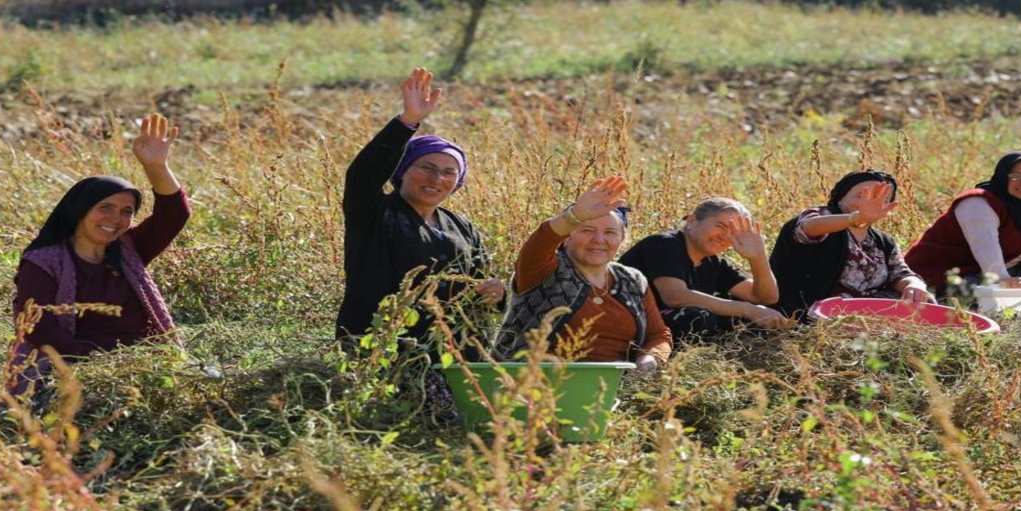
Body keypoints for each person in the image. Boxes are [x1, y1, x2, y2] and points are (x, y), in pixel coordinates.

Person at [4, 114, 191, 401]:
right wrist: (107, 364)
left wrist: (156, 167)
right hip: (73, 372)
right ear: (80, 210)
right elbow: (39, 330)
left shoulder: (130, 250)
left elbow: (174, 214)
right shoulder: (43, 263)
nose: (115, 219)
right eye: (105, 207)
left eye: (126, 211)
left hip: (145, 367)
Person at [336, 67, 505, 354]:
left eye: (448, 173)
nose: (436, 179)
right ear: (402, 170)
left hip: (452, 355)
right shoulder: (374, 214)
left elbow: (477, 285)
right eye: (426, 168)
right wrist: (408, 121)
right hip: (381, 351)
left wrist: (497, 294)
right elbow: (362, 175)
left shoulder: (461, 227)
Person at [494, 176, 671, 371]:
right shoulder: (543, 269)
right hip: (533, 386)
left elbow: (658, 334)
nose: (599, 239)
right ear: (566, 237)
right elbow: (542, 239)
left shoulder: (632, 280)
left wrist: (650, 359)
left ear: (622, 240)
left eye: (610, 232)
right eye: (587, 229)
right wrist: (575, 215)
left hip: (614, 388)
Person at [618, 197, 792, 342]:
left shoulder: (712, 262)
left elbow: (766, 297)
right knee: (697, 316)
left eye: (731, 231)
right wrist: (749, 309)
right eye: (720, 226)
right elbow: (675, 297)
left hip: (661, 328)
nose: (724, 236)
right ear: (693, 221)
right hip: (627, 324)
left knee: (767, 313)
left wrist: (758, 256)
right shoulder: (664, 244)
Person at [770, 170, 932, 319]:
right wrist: (855, 218)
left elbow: (900, 273)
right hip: (815, 313)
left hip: (865, 314)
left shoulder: (883, 241)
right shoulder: (823, 218)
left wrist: (914, 285)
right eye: (862, 195)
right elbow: (808, 228)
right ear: (840, 197)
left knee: (924, 301)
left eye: (883, 199)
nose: (869, 203)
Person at [905, 152, 1021, 298]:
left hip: (988, 271)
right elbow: (986, 249)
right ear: (1003, 176)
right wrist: (1004, 280)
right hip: (942, 274)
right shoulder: (978, 203)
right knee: (976, 295)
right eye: (1016, 177)